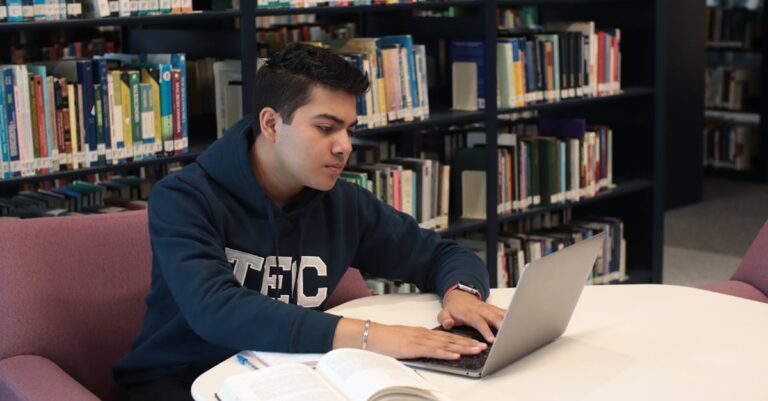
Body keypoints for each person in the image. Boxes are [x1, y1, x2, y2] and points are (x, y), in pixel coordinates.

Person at [114, 42, 505, 401]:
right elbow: (216, 309)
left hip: (290, 376)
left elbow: (441, 254)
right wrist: (372, 337)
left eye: (350, 130)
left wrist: (461, 295)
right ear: (271, 124)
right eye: (325, 128)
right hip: (181, 381)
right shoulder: (184, 198)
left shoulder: (344, 203)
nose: (345, 146)